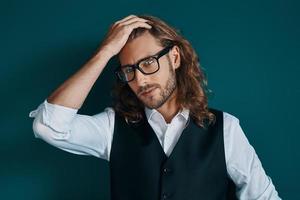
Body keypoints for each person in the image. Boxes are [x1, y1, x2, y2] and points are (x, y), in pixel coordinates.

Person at [29, 14, 281, 200]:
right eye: (129, 70)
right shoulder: (112, 128)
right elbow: (47, 126)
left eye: (148, 63)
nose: (140, 80)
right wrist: (105, 52)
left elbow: (264, 197)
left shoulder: (225, 129)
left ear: (174, 57)